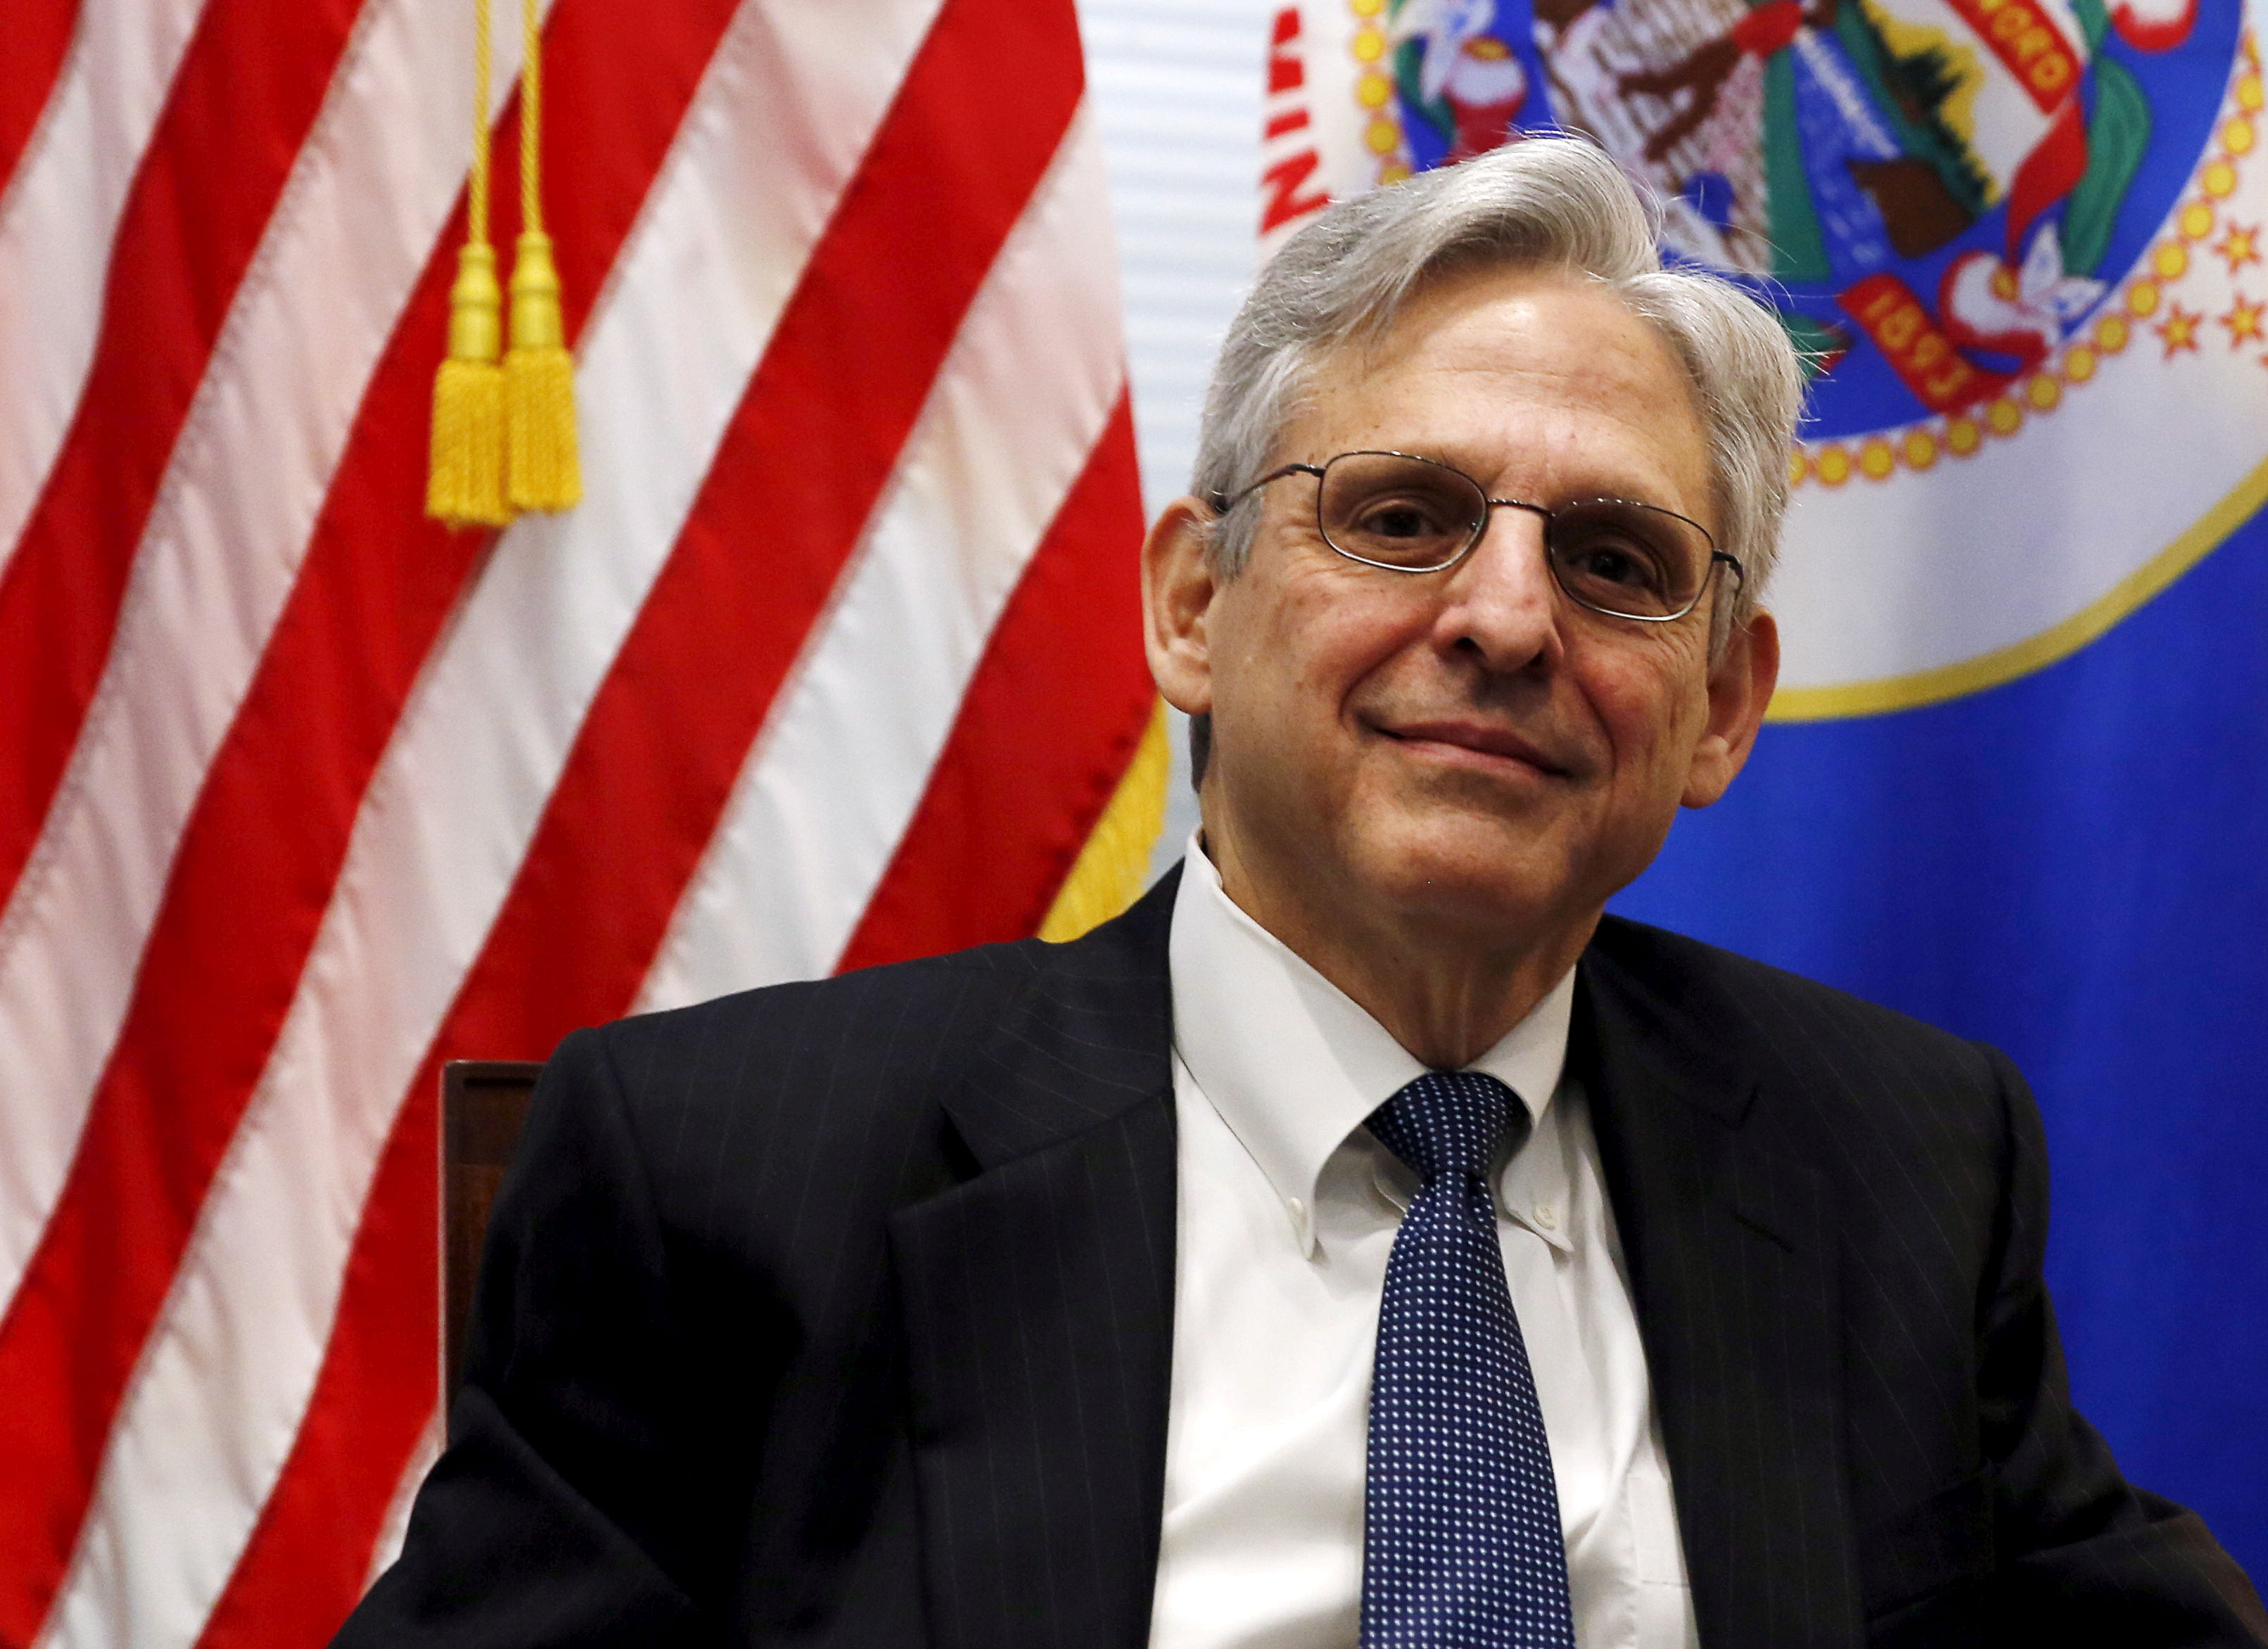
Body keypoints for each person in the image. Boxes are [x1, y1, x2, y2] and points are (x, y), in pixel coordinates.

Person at [335, 136, 2268, 1648]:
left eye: (1613, 560)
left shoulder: (1901, 1158)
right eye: (1405, 518)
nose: (1507, 619)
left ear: (1721, 706)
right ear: (1195, 604)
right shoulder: (733, 1179)